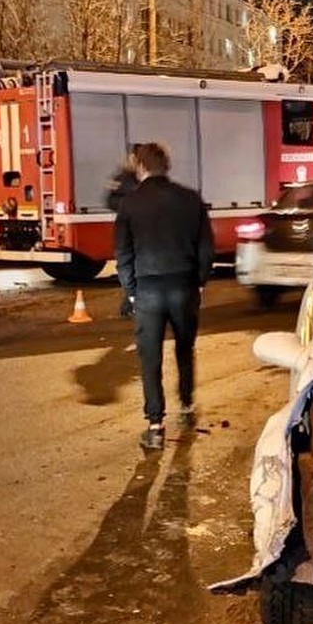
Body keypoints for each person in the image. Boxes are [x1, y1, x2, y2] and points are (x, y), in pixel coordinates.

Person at [114, 141, 215, 451]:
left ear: (141, 167)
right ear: (165, 166)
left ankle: (155, 425)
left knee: (150, 358)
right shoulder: (190, 199)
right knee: (185, 349)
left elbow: (123, 253)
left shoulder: (130, 204)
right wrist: (199, 282)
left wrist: (131, 291)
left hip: (148, 290)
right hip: (184, 286)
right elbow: (205, 247)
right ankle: (186, 406)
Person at [105, 151, 141, 317]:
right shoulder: (121, 179)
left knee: (137, 268)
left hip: (143, 231)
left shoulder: (146, 180)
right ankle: (131, 303)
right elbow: (110, 201)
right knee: (126, 268)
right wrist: (130, 205)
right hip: (127, 230)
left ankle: (130, 305)